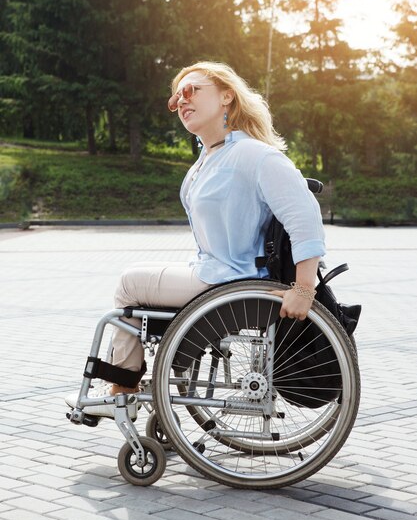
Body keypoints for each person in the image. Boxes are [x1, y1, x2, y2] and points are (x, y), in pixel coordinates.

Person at [66, 61, 325, 418]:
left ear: (226, 96)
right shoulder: (209, 159)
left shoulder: (253, 154)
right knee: (139, 292)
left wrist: (304, 287)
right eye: (176, 98)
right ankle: (141, 385)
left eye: (192, 90)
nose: (182, 101)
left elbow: (304, 215)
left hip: (228, 279)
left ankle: (121, 390)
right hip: (214, 274)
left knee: (129, 283)